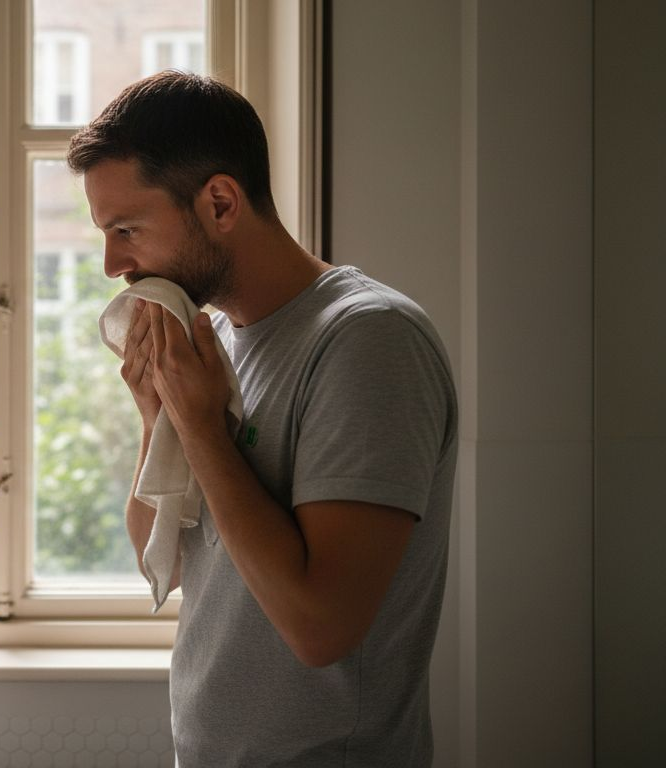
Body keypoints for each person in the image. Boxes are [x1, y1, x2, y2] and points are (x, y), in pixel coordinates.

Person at [67, 71, 457, 767]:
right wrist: (159, 417)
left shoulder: (369, 339)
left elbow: (320, 628)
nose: (112, 264)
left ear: (220, 202)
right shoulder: (214, 341)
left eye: (127, 230)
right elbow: (163, 559)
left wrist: (202, 428)